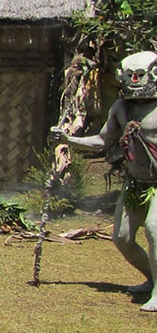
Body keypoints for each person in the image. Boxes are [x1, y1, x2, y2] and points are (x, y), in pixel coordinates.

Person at [52, 50, 157, 312]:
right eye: (130, 76)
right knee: (122, 237)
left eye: (139, 76)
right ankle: (152, 278)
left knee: (154, 231)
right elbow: (102, 140)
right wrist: (69, 140)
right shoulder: (121, 108)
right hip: (135, 183)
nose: (134, 81)